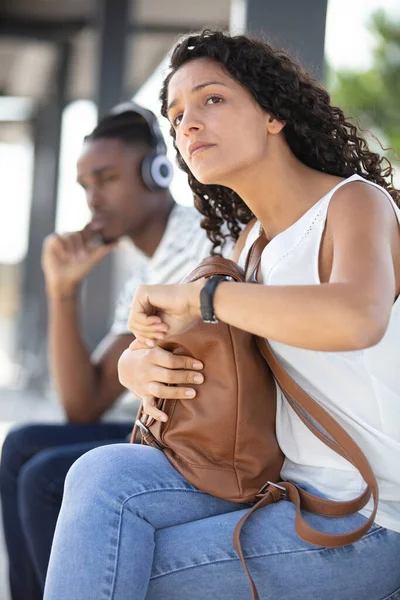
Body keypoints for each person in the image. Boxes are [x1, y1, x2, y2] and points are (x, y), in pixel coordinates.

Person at [43, 30, 400, 600]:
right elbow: (200, 356)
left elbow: (358, 316)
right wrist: (139, 364)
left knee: (119, 567)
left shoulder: (353, 204)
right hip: (279, 487)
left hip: (372, 520)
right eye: (177, 114)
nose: (188, 123)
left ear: (273, 114)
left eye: (212, 99)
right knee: (97, 473)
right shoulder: (248, 247)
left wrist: (201, 298)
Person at [0, 102, 225, 600]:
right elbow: (84, 404)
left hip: (189, 434)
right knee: (19, 446)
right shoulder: (145, 262)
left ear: (157, 172)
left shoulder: (197, 240)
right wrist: (62, 290)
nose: (93, 199)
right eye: (85, 186)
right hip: (149, 422)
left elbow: (90, 404)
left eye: (105, 178)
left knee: (42, 476)